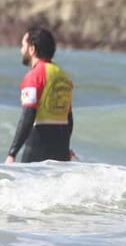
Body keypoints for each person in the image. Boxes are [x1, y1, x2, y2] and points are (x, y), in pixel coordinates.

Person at [5, 27, 74, 163]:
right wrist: (65, 148)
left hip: (38, 145)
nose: (21, 50)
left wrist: (12, 153)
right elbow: (69, 118)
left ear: (32, 49)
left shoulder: (34, 76)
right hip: (60, 147)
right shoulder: (64, 77)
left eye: (23, 46)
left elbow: (28, 116)